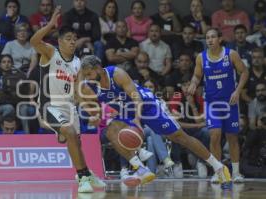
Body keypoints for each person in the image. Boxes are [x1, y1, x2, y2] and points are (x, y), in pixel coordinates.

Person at [78, 55, 233, 189]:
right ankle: (141, 169)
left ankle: (219, 167)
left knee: (180, 137)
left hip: (146, 104)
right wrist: (95, 116)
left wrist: (137, 119)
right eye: (85, 75)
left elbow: (136, 97)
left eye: (89, 73)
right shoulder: (89, 86)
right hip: (125, 109)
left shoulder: (117, 74)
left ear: (98, 68)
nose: (87, 77)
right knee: (111, 131)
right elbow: (94, 109)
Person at [30, 6, 105, 193]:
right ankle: (82, 178)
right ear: (59, 41)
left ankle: (86, 173)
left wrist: (92, 112)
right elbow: (34, 41)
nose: (72, 42)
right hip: (50, 106)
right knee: (70, 133)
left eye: (74, 39)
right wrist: (50, 24)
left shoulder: (78, 63)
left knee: (76, 143)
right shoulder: (50, 53)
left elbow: (79, 92)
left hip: (69, 107)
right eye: (68, 39)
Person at [187, 28, 249, 183]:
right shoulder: (201, 58)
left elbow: (244, 72)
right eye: (207, 37)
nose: (209, 40)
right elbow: (197, 75)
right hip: (212, 103)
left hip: (230, 102)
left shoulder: (231, 54)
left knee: (232, 137)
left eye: (213, 37)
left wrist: (237, 91)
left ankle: (235, 173)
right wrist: (194, 83)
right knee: (214, 136)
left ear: (220, 39)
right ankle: (218, 171)